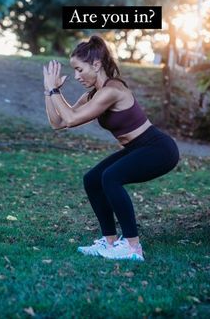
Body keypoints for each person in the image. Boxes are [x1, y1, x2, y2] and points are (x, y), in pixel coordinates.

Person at [43, 35, 179, 262]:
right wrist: (49, 92)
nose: (76, 76)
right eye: (73, 71)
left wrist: (54, 91)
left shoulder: (113, 90)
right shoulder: (93, 95)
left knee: (111, 177)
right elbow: (59, 123)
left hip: (158, 148)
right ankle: (110, 242)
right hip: (137, 148)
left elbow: (70, 119)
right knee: (92, 179)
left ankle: (133, 248)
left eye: (79, 69)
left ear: (96, 65)